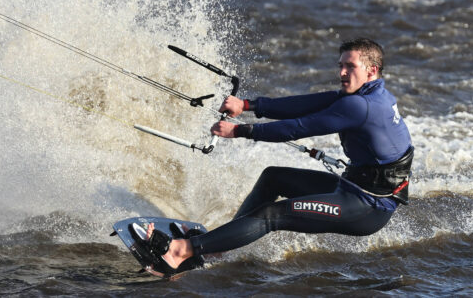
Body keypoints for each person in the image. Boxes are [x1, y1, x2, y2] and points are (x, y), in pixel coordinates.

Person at [142, 37, 413, 272]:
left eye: (350, 66)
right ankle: (215, 247)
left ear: (371, 70)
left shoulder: (361, 105)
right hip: (354, 186)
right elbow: (305, 104)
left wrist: (240, 132)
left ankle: (181, 251)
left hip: (368, 207)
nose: (342, 72)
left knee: (271, 216)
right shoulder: (370, 94)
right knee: (273, 177)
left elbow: (300, 127)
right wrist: (249, 105)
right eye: (340, 65)